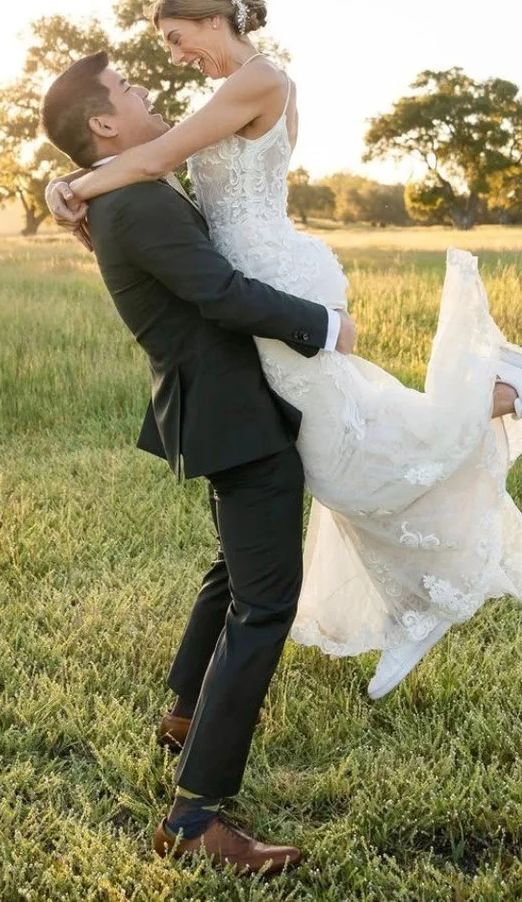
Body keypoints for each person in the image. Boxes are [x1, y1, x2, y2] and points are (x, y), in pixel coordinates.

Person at [39, 51, 358, 876]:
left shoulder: (126, 189)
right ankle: (194, 818)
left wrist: (64, 184)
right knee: (266, 602)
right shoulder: (135, 203)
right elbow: (220, 292)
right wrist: (324, 326)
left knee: (235, 567)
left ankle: (184, 712)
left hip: (219, 404)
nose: (145, 88)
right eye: (127, 89)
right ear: (104, 123)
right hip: (233, 413)